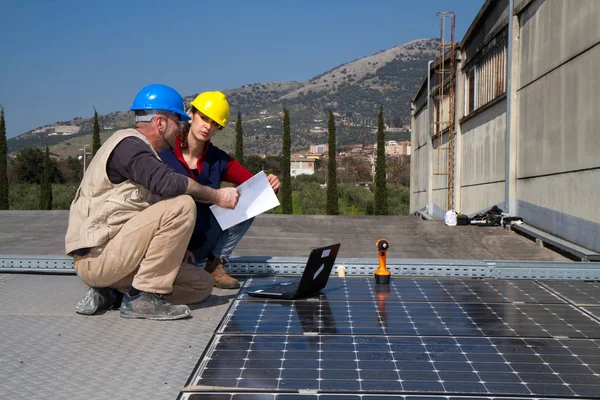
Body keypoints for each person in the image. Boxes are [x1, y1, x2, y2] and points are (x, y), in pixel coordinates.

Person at [65, 84, 240, 320]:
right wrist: (217, 195)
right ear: (160, 123)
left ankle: (115, 294)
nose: (180, 129)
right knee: (183, 205)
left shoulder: (144, 153)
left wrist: (174, 247)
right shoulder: (128, 145)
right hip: (99, 256)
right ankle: (144, 298)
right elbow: (166, 183)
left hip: (123, 257)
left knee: (201, 284)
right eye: (177, 122)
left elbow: (140, 214)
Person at [160, 91, 280, 289]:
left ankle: (216, 264)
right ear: (191, 115)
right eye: (204, 118)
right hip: (168, 238)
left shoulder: (219, 159)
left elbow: (255, 187)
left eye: (214, 123)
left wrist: (271, 184)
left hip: (204, 236)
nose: (207, 126)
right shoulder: (164, 151)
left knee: (246, 201)